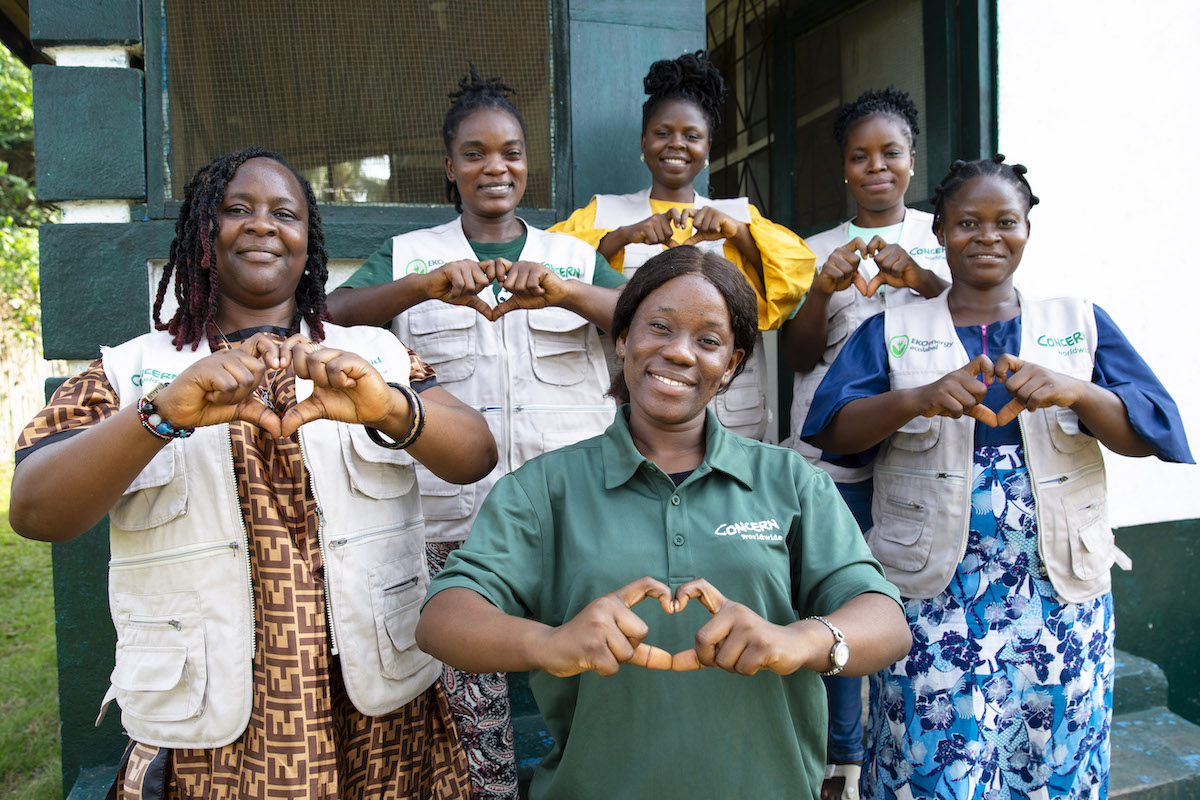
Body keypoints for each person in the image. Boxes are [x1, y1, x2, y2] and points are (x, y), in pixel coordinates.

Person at [9, 147, 498, 799]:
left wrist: (386, 404)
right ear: (201, 234)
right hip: (214, 734)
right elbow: (37, 509)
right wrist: (160, 416)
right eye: (236, 208)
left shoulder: (372, 354)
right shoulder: (132, 373)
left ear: (308, 240)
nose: (263, 224)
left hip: (381, 718)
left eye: (285, 213)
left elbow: (476, 453)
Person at [414, 246, 913, 800]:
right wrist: (548, 643)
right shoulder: (545, 489)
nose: (679, 353)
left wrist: (799, 641)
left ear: (731, 365)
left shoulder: (790, 482)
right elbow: (443, 618)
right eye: (659, 327)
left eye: (708, 341)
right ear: (622, 338)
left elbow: (887, 622)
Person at [802, 155, 1193, 799]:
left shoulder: (1080, 323)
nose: (987, 236)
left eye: (1005, 221)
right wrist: (919, 398)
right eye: (966, 222)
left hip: (1058, 593)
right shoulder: (892, 331)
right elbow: (834, 432)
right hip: (933, 592)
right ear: (941, 234)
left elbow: (1149, 431)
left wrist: (1078, 392)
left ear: (1028, 229)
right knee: (931, 756)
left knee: (1052, 754)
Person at [324, 67, 625, 800]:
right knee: (471, 714)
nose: (497, 167)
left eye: (513, 152)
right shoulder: (411, 255)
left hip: (573, 518)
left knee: (600, 682)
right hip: (450, 525)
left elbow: (647, 320)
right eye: (477, 153)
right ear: (450, 166)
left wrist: (567, 293)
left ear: (530, 163)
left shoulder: (572, 256)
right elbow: (331, 314)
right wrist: (420, 289)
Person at [778, 87, 951, 800]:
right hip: (833, 467)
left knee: (909, 609)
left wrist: (922, 279)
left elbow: (981, 317)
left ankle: (902, 750)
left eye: (891, 153)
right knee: (840, 603)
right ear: (844, 169)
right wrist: (821, 290)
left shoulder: (950, 233)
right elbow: (797, 354)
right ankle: (839, 763)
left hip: (924, 460)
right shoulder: (813, 248)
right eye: (860, 156)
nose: (876, 167)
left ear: (913, 161)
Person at [550, 49, 815, 439]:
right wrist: (623, 236)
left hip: (731, 416)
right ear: (644, 141)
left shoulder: (739, 215)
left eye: (692, 136)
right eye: (662, 133)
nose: (676, 144)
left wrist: (737, 232)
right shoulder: (603, 213)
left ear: (708, 148)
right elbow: (557, 276)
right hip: (630, 412)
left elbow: (787, 289)